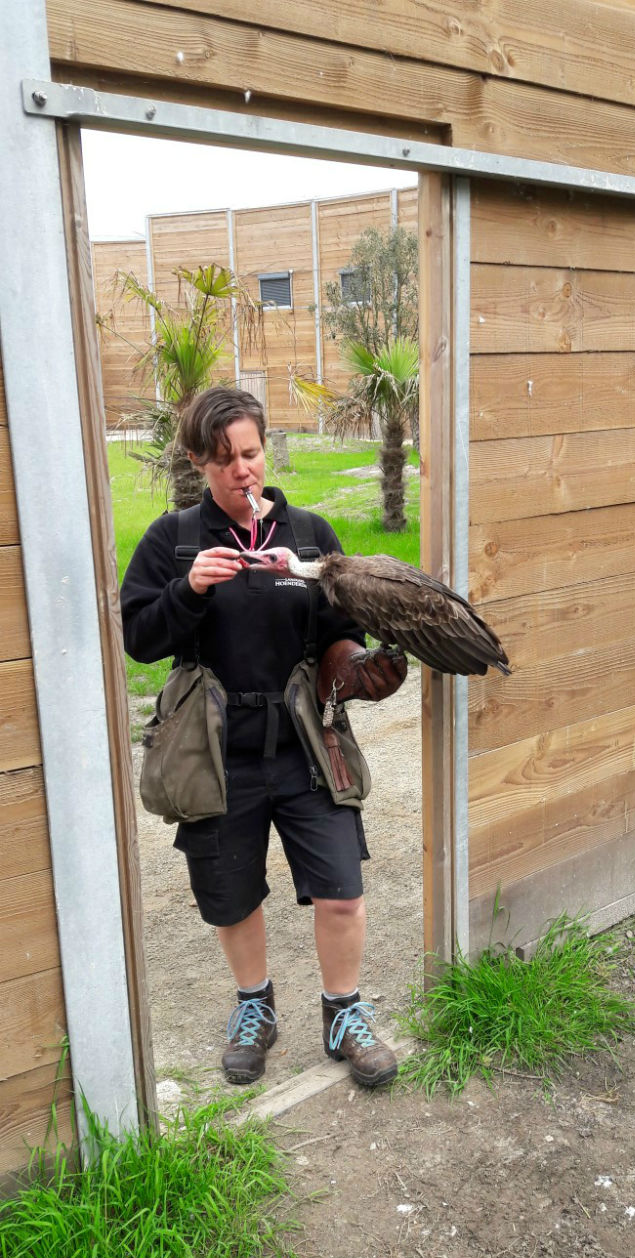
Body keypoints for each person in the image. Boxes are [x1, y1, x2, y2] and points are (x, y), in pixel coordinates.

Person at [120, 386, 407, 1089]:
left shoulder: (309, 534)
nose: (242, 470)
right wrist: (187, 589)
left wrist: (368, 666)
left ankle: (343, 1012)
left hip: (309, 746)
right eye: (223, 460)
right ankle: (256, 1005)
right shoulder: (174, 540)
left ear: (264, 447)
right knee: (232, 893)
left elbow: (344, 634)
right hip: (216, 754)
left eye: (250, 453)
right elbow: (139, 637)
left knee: (342, 889)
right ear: (197, 460)